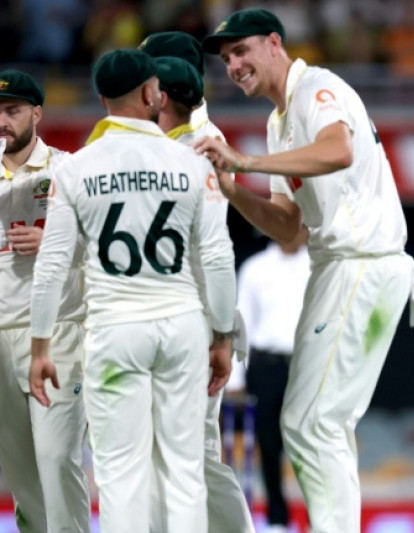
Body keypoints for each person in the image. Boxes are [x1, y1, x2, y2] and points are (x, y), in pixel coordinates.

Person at [195, 8, 414, 532]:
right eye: (227, 58)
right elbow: (287, 229)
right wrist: (234, 188)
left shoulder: (318, 88)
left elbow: (338, 148)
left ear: (275, 43)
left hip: (362, 265)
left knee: (314, 422)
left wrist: (246, 163)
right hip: (335, 267)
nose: (234, 65)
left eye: (242, 51)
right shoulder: (277, 121)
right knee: (308, 423)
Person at [28, 49, 235, 533]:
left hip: (115, 330)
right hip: (181, 325)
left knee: (121, 474)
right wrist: (222, 336)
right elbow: (218, 259)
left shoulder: (75, 167)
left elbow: (53, 263)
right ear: (151, 94)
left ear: (102, 98)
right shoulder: (190, 163)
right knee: (184, 469)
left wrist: (41, 345)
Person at [143, 32, 256, 533]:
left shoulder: (197, 145)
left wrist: (220, 334)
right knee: (175, 454)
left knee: (193, 454)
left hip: (197, 318)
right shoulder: (171, 137)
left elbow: (215, 252)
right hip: (180, 316)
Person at [0, 69, 91, 533]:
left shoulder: (68, 170)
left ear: (36, 113)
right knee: (22, 477)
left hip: (58, 333)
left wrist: (54, 244)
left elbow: (103, 248)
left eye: (12, 111)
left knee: (57, 459)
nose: (3, 121)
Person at [237, 226, 310, 533]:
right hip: (266, 364)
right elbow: (242, 321)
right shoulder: (255, 269)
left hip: (307, 363)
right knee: (268, 443)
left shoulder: (318, 265)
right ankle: (278, 518)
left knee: (309, 444)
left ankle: (318, 517)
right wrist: (235, 378)